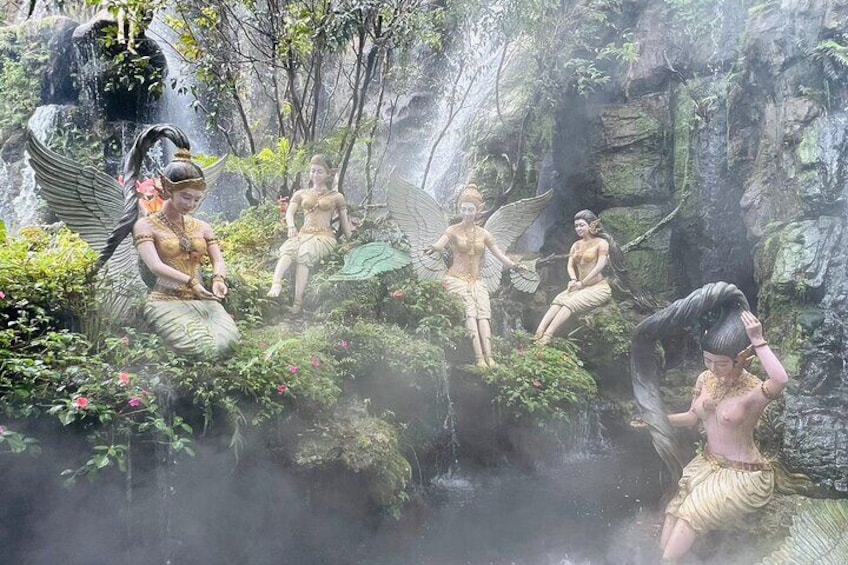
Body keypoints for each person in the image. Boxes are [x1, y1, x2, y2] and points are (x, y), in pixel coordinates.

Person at [654, 307, 788, 562]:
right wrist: (656, 419)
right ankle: (660, 558)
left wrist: (758, 340)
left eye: (721, 363)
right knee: (674, 510)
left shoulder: (753, 391)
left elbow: (781, 380)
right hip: (706, 464)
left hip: (742, 473)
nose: (713, 368)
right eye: (707, 360)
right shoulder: (705, 379)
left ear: (742, 358)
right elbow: (692, 417)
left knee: (691, 513)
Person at [126, 126, 239, 357]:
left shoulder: (203, 227)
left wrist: (218, 279)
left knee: (228, 343)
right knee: (202, 347)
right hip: (164, 301)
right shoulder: (145, 225)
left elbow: (218, 260)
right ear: (168, 189)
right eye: (186, 197)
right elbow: (155, 266)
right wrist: (192, 282)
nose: (191, 205)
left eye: (197, 199)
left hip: (203, 300)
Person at [424, 183, 523, 369]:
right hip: (456, 279)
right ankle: (479, 358)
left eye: (471, 209)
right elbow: (441, 243)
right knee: (470, 313)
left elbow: (499, 254)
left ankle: (490, 357)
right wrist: (434, 247)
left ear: (478, 211)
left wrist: (514, 266)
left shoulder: (484, 234)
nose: (467, 213)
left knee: (484, 314)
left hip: (477, 281)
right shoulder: (452, 230)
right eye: (464, 209)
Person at [267, 154, 353, 314]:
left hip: (324, 237)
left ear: (328, 174)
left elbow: (344, 221)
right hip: (303, 233)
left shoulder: (336, 196)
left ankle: (297, 303)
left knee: (305, 253)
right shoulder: (301, 193)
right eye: (313, 171)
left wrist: (351, 241)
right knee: (288, 248)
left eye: (320, 171)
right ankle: (276, 283)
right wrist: (291, 226)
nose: (315, 175)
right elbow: (289, 213)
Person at [534, 209, 618, 345]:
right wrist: (573, 279)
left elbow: (599, 266)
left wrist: (583, 283)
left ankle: (547, 335)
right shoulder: (576, 245)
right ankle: (538, 332)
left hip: (598, 288)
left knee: (569, 303)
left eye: (581, 225)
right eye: (576, 226)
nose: (578, 228)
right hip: (580, 286)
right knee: (558, 300)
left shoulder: (601, 243)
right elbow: (570, 265)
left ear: (591, 225)